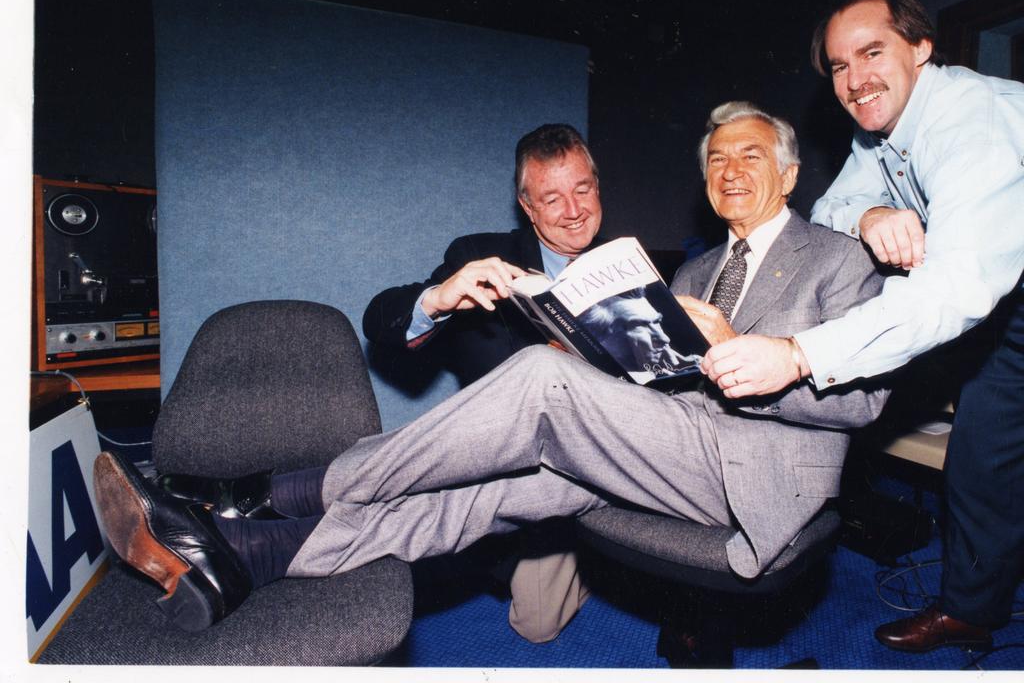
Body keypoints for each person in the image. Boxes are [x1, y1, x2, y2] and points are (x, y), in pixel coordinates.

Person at [92, 101, 889, 637]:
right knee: (488, 492)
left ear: (788, 173)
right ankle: (247, 559)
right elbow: (655, 391)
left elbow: (864, 405)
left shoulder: (837, 260)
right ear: (526, 208)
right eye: (717, 159)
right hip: (643, 450)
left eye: (751, 155)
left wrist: (757, 360)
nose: (730, 170)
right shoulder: (687, 271)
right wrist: (445, 300)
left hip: (762, 474)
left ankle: (274, 490)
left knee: (545, 385)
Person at [701, 0, 1024, 653]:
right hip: (1007, 296)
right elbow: (829, 211)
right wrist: (873, 214)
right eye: (839, 66)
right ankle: (974, 607)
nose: (854, 80)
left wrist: (797, 353)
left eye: (871, 53)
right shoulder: (879, 134)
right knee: (981, 457)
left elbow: (954, 287)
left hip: (983, 282)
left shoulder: (968, 122)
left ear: (921, 47)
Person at [367, 122, 604, 642]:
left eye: (583, 190)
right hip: (497, 460)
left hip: (587, 470)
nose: (573, 210)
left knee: (536, 624)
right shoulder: (478, 255)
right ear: (527, 206)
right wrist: (436, 300)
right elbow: (379, 320)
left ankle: (601, 562)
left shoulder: (632, 265)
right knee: (378, 504)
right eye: (552, 197)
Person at [578, 287, 696, 381]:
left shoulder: (684, 368)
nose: (664, 338)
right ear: (601, 340)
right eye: (639, 326)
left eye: (657, 322)